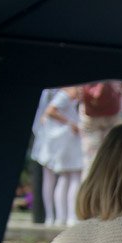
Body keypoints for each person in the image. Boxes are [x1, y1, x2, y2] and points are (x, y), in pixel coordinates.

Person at [40, 87, 86, 226]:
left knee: (66, 178)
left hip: (67, 142)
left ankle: (63, 216)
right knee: (73, 177)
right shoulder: (65, 94)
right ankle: (68, 216)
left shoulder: (67, 96)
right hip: (67, 141)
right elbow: (50, 111)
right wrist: (69, 123)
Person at [77, 81, 122, 175]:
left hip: (90, 116)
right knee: (111, 155)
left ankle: (91, 184)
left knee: (91, 159)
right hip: (111, 114)